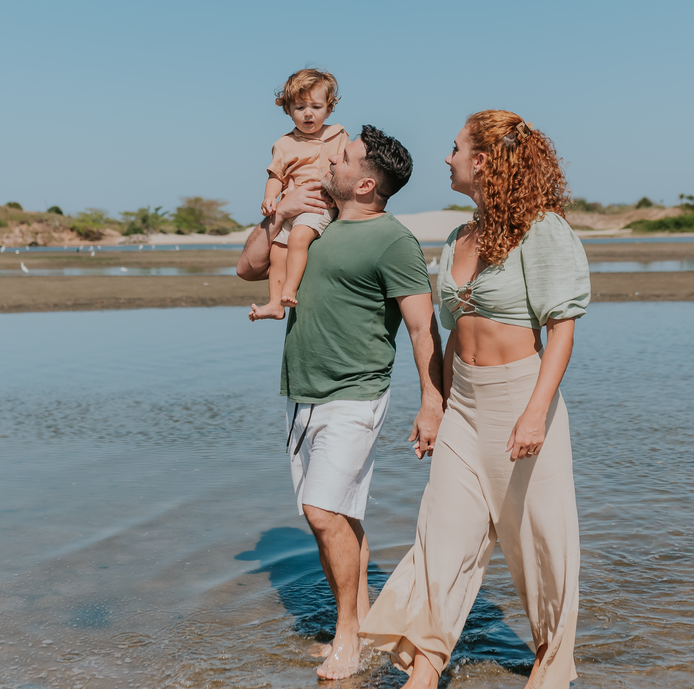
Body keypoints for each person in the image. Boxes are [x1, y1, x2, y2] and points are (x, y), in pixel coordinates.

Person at [359, 110, 590, 689]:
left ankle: (550, 661)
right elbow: (448, 333)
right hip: (462, 403)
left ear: (483, 159)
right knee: (442, 535)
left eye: (456, 147)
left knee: (542, 545)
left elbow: (561, 328)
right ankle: (425, 670)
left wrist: (536, 412)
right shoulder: (461, 235)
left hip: (521, 399)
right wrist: (432, 402)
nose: (448, 157)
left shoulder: (543, 229)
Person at [237, 125, 445, 680]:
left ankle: (348, 637)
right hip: (300, 388)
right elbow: (248, 267)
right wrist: (277, 213)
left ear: (366, 182)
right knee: (335, 515)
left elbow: (423, 327)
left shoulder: (393, 240)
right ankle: (365, 621)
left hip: (355, 392)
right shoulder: (316, 220)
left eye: (344, 158)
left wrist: (432, 402)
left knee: (322, 512)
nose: (331, 159)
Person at [249, 68, 348, 321]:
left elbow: (349, 168)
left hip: (318, 205)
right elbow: (276, 177)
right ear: (288, 110)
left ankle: (290, 288)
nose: (308, 113)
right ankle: (274, 303)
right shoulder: (284, 144)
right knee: (277, 249)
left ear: (329, 108)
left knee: (299, 237)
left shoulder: (338, 135)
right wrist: (269, 198)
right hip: (289, 205)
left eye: (315, 106)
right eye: (299, 107)